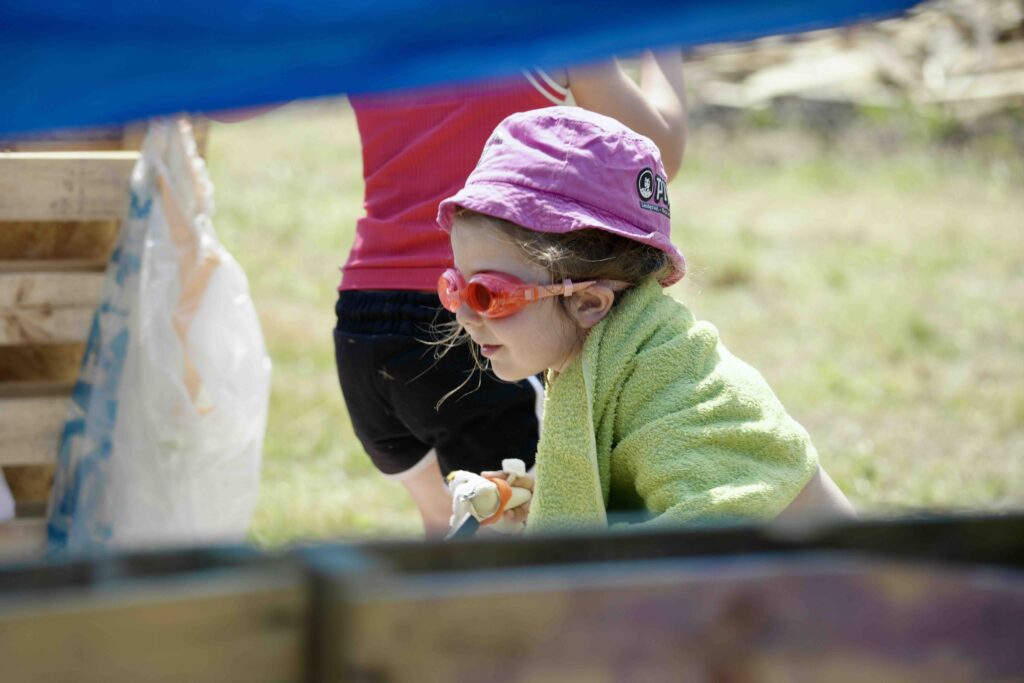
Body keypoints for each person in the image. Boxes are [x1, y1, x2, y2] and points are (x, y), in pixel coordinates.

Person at [436, 107, 854, 532]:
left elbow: (713, 539)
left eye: (487, 294)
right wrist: (548, 499)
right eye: (454, 286)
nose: (464, 315)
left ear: (588, 302)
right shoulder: (616, 362)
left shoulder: (681, 393)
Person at [336, 53, 688, 535]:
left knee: (455, 527)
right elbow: (658, 154)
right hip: (492, 309)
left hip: (364, 319)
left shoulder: (378, 23)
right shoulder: (542, 28)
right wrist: (661, 46)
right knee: (531, 542)